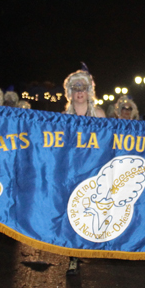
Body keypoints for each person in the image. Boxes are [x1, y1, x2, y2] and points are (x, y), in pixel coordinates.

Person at [62, 64, 104, 274]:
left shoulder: (98, 114)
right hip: (71, 171)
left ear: (89, 92)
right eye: (76, 89)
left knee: (92, 212)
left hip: (93, 170)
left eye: (83, 89)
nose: (80, 93)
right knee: (73, 212)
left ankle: (92, 246)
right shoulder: (63, 117)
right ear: (71, 93)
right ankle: (73, 256)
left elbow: (108, 144)